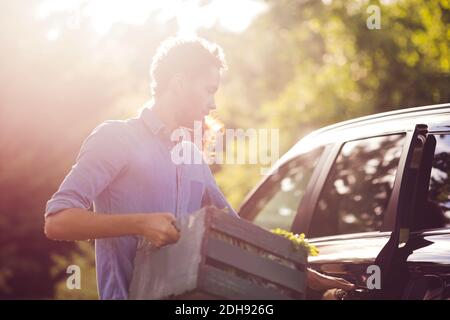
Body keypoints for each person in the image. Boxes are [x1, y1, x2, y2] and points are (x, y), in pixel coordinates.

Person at [44, 36, 354, 299]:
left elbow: (240, 236)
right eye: (209, 89)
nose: (213, 103)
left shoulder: (191, 155)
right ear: (179, 83)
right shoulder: (115, 138)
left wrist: (303, 272)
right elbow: (57, 221)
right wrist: (140, 224)